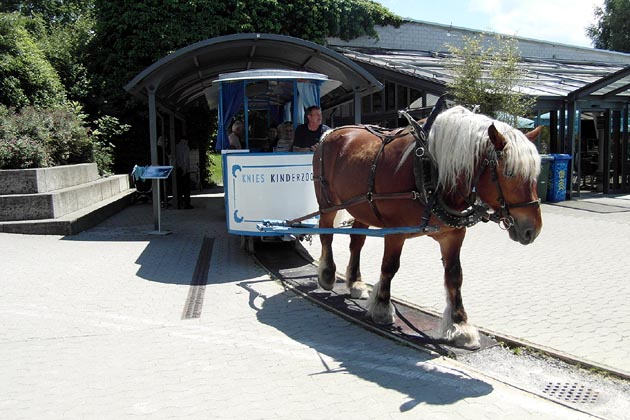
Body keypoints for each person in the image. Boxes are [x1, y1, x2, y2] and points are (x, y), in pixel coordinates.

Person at [175, 138, 193, 209]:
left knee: (179, 188)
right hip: (184, 170)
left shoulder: (176, 147)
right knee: (186, 188)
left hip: (178, 169)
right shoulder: (186, 147)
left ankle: (179, 203)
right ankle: (186, 203)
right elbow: (185, 159)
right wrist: (185, 170)